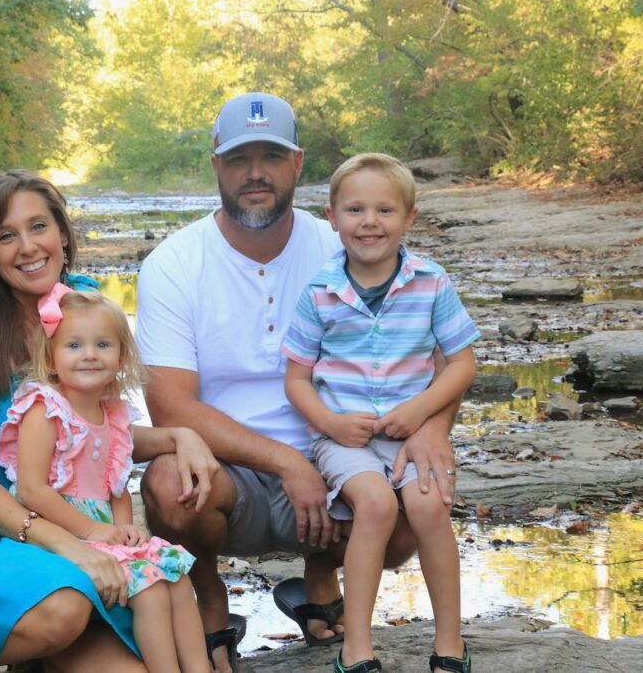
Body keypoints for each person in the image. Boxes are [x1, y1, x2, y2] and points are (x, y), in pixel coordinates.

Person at [134, 93, 465, 673]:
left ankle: (321, 578)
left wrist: (433, 425)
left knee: (417, 504)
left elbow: (437, 349)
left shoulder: (338, 241)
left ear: (297, 164)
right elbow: (170, 408)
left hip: (344, 451)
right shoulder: (174, 263)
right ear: (216, 164)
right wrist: (289, 464)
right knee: (167, 484)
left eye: (271, 156)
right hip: (226, 471)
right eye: (240, 159)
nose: (255, 173)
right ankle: (211, 599)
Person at [0, 169, 218, 673]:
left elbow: (92, 432)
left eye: (38, 226)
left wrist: (179, 435)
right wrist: (75, 545)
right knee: (65, 608)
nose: (27, 246)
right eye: (6, 235)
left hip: (63, 530)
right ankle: (29, 643)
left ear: (62, 235)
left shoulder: (80, 308)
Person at [282, 153, 478, 673]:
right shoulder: (320, 292)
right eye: (355, 210)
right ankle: (357, 649)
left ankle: (450, 645)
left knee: (431, 505)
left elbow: (461, 363)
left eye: (385, 210)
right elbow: (297, 380)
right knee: (374, 504)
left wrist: (421, 411)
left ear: (409, 218)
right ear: (333, 217)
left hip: (408, 433)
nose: (369, 222)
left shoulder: (431, 282)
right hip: (341, 438)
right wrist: (329, 424)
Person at [0, 285, 210, 673]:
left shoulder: (114, 415)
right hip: (54, 532)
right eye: (74, 345)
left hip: (100, 531)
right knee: (151, 588)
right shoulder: (45, 408)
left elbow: (116, 486)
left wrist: (124, 530)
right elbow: (31, 489)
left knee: (176, 575)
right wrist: (92, 530)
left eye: (103, 345)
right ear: (52, 357)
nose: (90, 354)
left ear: (121, 356)